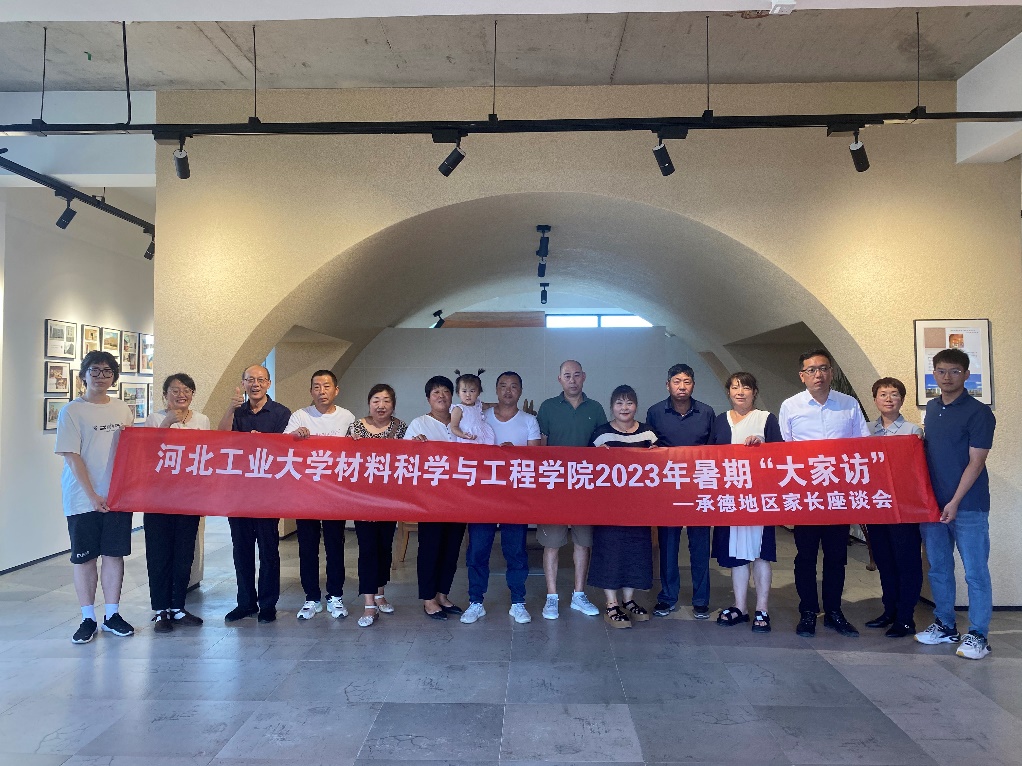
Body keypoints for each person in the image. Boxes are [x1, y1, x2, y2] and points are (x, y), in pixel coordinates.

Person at [778, 349, 869, 638]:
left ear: (831, 372)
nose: (818, 374)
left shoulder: (848, 404)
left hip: (838, 496)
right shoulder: (791, 406)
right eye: (812, 370)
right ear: (802, 376)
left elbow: (862, 446)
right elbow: (783, 451)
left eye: (823, 368)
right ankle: (807, 611)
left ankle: (833, 612)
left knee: (836, 556)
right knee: (805, 556)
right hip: (806, 496)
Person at [915, 349, 996, 660]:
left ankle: (978, 635)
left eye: (954, 371)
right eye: (941, 371)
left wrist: (954, 501)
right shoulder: (933, 408)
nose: (947, 377)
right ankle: (945, 625)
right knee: (938, 569)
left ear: (966, 375)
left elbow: (976, 462)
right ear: (934, 374)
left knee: (975, 572)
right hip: (932, 506)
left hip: (968, 506)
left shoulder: (979, 412)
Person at [55, 350, 135, 644]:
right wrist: (92, 495)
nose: (101, 376)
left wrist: (120, 490)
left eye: (107, 371)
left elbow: (129, 451)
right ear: (83, 375)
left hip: (117, 496)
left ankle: (112, 614)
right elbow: (72, 456)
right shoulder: (72, 411)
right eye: (95, 370)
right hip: (81, 498)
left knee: (114, 555)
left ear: (114, 377)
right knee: (85, 558)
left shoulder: (122, 409)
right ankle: (87, 618)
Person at [461, 371, 540, 625]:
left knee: (515, 551)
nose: (508, 390)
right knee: (478, 551)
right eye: (503, 386)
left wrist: (513, 453)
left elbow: (535, 458)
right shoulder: (480, 416)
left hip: (515, 498)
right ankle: (476, 602)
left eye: (514, 386)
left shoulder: (529, 420)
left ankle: (518, 602)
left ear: (520, 391)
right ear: (495, 390)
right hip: (482, 496)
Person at [709, 372, 783, 634]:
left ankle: (762, 608)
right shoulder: (720, 420)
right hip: (730, 497)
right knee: (737, 553)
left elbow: (781, 455)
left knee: (761, 554)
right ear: (728, 392)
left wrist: (763, 444)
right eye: (735, 387)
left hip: (758, 496)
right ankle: (740, 606)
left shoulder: (766, 419)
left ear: (755, 392)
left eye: (746, 388)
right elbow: (710, 457)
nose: (740, 392)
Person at [218, 364, 291, 624]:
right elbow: (220, 438)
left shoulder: (281, 413)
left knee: (269, 550)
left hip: (268, 493)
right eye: (250, 379)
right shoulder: (237, 411)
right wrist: (230, 409)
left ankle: (268, 605)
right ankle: (245, 603)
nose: (255, 384)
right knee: (242, 550)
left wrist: (264, 442)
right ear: (243, 383)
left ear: (268, 383)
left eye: (261, 379)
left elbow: (286, 450)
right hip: (238, 492)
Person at [536, 360, 607, 619]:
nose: (572, 380)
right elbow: (540, 448)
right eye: (567, 376)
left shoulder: (595, 408)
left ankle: (579, 594)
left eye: (577, 375)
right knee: (552, 544)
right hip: (554, 486)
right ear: (559, 379)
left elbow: (603, 445)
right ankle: (551, 597)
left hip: (585, 487)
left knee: (583, 543)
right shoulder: (547, 407)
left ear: (584, 377)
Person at [284, 370, 356, 621]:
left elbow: (354, 450)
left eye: (326, 386)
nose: (321, 391)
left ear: (336, 390)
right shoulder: (300, 416)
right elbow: (283, 446)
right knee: (307, 547)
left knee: (335, 546)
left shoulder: (347, 417)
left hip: (335, 494)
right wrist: (296, 436)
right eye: (317, 386)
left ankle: (335, 595)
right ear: (311, 391)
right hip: (306, 494)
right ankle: (311, 598)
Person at [645, 363, 716, 619]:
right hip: (668, 490)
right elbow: (649, 449)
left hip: (699, 488)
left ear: (693, 385)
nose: (681, 386)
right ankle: (667, 597)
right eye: (676, 382)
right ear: (668, 385)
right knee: (668, 546)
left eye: (686, 381)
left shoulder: (706, 412)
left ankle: (701, 600)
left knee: (700, 546)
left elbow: (714, 451)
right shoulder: (655, 412)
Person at [143, 373, 211, 633]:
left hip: (188, 496)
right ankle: (161, 609)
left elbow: (207, 453)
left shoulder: (202, 420)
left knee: (184, 553)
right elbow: (147, 452)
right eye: (175, 390)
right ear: (165, 395)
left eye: (186, 390)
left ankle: (178, 607)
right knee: (159, 553)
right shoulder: (154, 419)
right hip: (157, 497)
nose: (181, 395)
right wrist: (167, 423)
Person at [587, 385, 656, 629]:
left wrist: (657, 454)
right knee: (610, 550)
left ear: (636, 406)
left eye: (629, 403)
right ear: (611, 406)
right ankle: (611, 603)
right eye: (619, 403)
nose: (624, 408)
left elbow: (660, 466)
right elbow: (587, 469)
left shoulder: (648, 433)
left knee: (636, 551)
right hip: (609, 507)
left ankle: (628, 600)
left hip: (639, 507)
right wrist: (596, 455)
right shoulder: (601, 434)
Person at [863, 377, 924, 638]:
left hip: (904, 507)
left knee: (906, 561)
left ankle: (906, 617)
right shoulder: (865, 430)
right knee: (885, 561)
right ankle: (889, 611)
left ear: (902, 399)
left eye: (894, 394)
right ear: (875, 399)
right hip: (877, 506)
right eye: (883, 394)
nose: (889, 399)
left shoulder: (913, 431)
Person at [406, 375, 467, 620]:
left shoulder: (463, 421)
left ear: (452, 396)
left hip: (460, 498)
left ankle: (442, 594)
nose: (441, 396)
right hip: (430, 500)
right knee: (430, 548)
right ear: (428, 398)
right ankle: (428, 598)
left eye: (445, 391)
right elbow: (406, 460)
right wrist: (415, 445)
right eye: (435, 392)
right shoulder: (419, 424)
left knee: (452, 548)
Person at [347, 383, 407, 627]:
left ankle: (380, 594)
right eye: (376, 401)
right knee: (368, 549)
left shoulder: (401, 428)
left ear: (393, 404)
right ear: (369, 403)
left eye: (386, 401)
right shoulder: (356, 427)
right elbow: (345, 460)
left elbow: (408, 459)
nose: (381, 406)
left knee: (384, 548)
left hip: (389, 499)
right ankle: (369, 604)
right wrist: (350, 444)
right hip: (362, 499)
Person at [449, 370, 496, 445]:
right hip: (467, 439)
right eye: (464, 391)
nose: (468, 395)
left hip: (481, 437)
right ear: (458, 393)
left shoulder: (478, 404)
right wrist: (462, 435)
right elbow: (454, 427)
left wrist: (501, 404)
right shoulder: (458, 409)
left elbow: (489, 405)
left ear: (479, 392)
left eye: (472, 391)